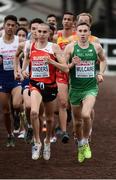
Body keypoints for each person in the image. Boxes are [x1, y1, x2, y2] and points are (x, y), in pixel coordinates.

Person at [21, 23, 69, 160]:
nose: (41, 34)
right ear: (35, 32)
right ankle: (37, 142)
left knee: (49, 118)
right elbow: (26, 59)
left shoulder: (53, 47)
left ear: (49, 34)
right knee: (35, 112)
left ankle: (47, 141)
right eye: (39, 31)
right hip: (35, 84)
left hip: (50, 86)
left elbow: (65, 68)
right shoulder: (31, 46)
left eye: (44, 32)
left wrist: (51, 62)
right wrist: (23, 70)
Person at [64, 22, 107, 163]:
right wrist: (72, 64)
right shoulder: (70, 47)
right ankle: (81, 144)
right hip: (75, 89)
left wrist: (100, 73)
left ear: (89, 33)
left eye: (85, 31)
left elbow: (103, 60)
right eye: (80, 31)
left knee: (86, 114)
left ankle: (86, 141)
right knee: (77, 123)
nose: (82, 33)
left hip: (91, 87)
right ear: (76, 32)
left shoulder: (96, 47)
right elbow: (64, 68)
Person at [53, 12, 76, 143]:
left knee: (72, 103)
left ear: (73, 23)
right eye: (64, 19)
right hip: (60, 72)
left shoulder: (76, 37)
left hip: (73, 73)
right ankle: (62, 126)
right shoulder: (57, 36)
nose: (66, 21)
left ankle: (64, 127)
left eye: (69, 20)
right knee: (62, 103)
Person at [0, 15, 22, 147]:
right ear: (4, 25)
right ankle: (10, 135)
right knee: (6, 111)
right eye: (8, 24)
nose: (10, 27)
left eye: (13, 25)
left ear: (16, 27)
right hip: (2, 78)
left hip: (16, 77)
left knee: (17, 104)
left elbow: (27, 58)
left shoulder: (20, 41)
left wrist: (22, 70)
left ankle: (19, 115)